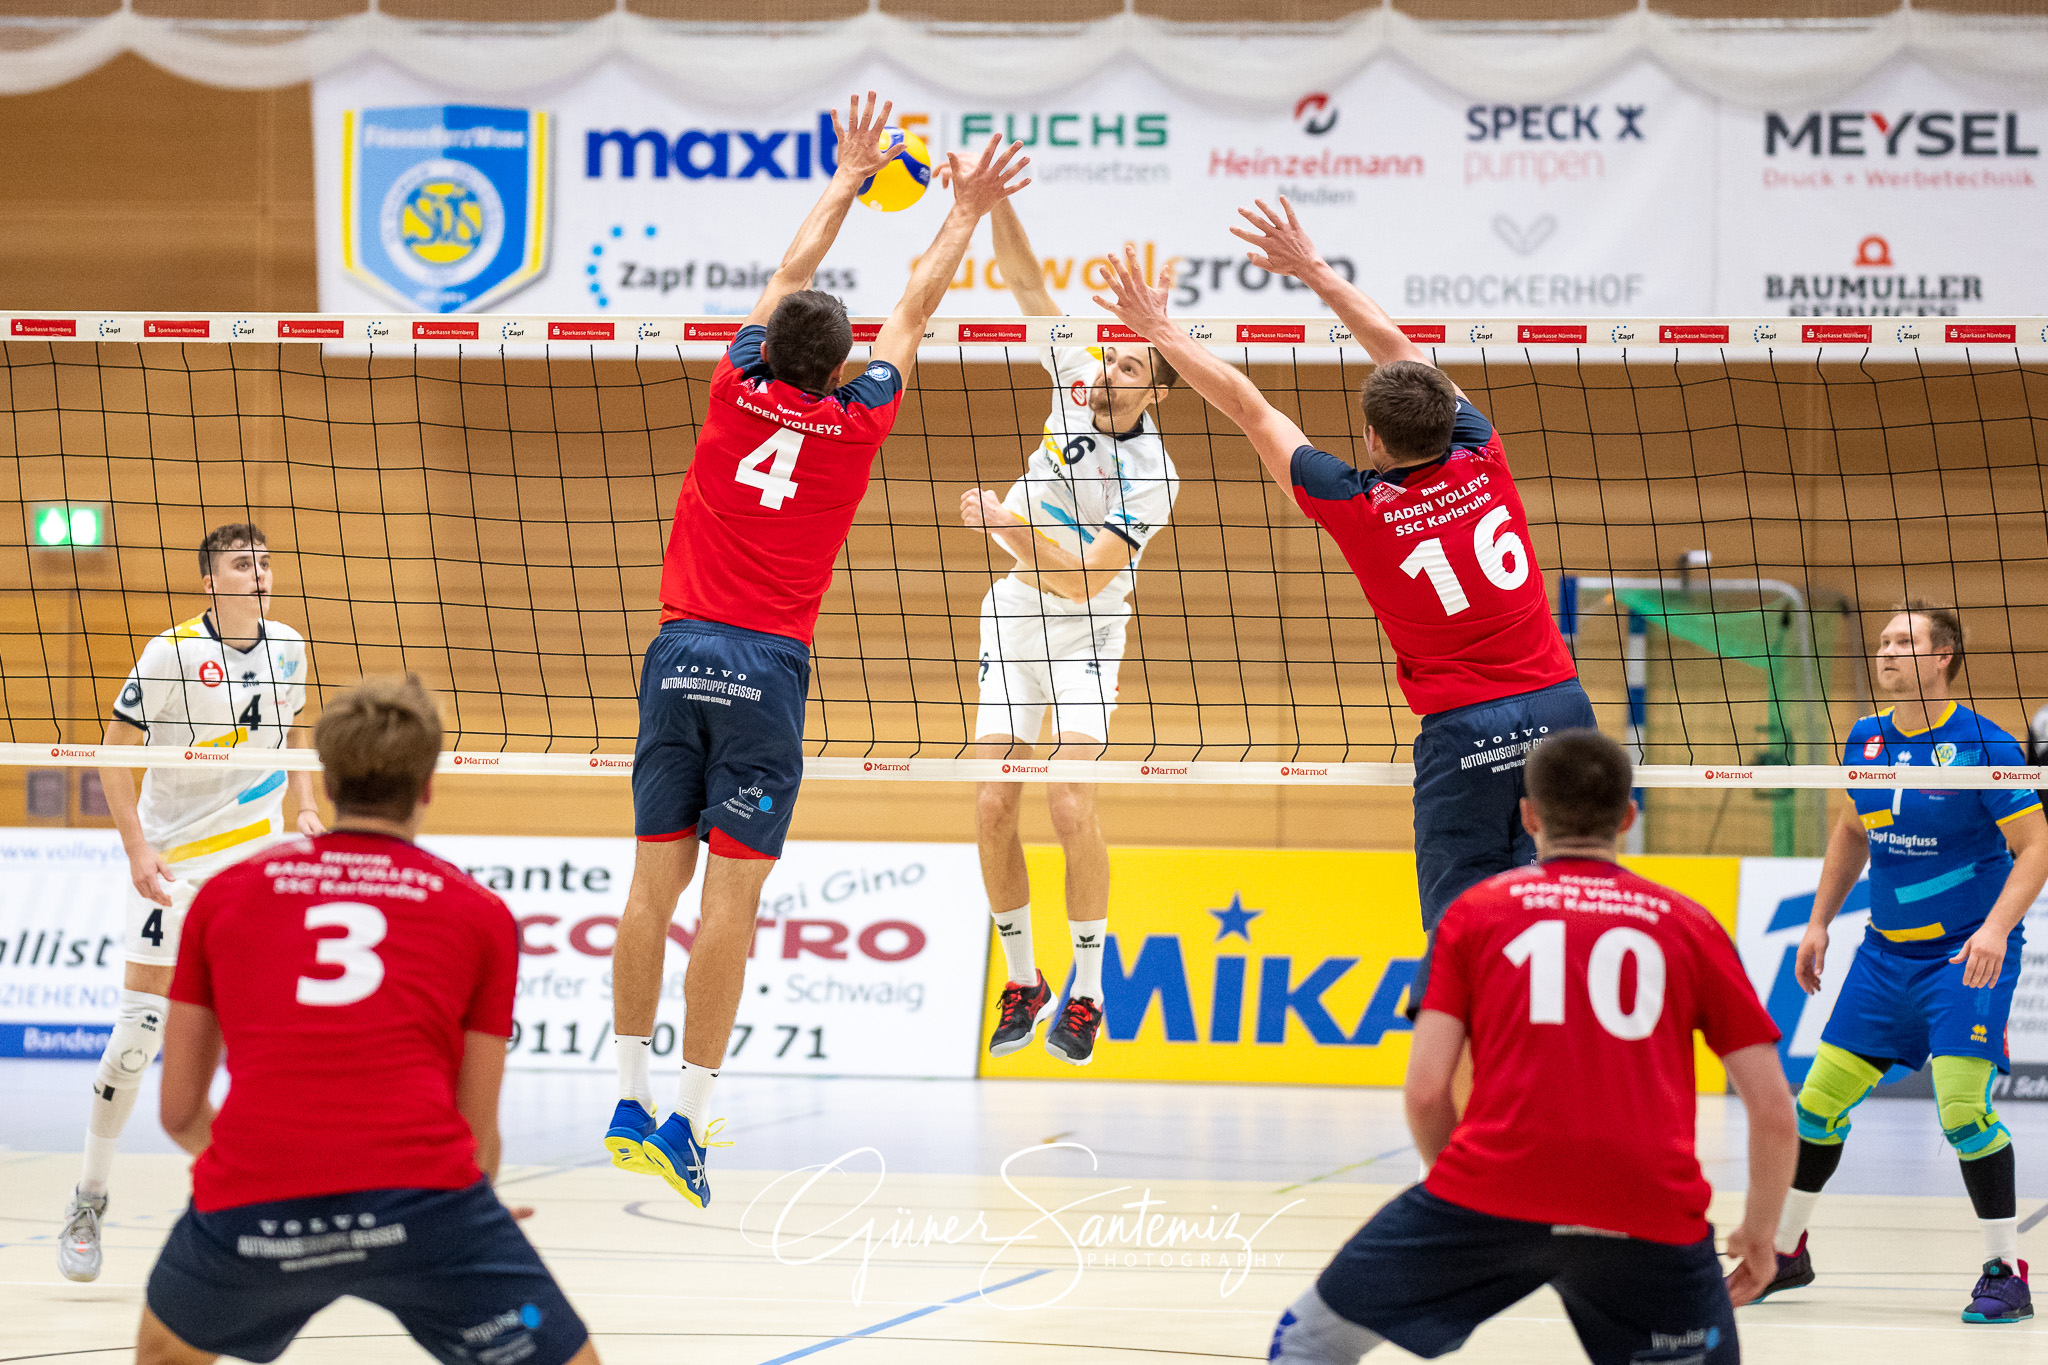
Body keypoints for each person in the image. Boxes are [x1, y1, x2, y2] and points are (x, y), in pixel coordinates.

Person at [604, 91, 1030, 1208]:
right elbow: (916, 304)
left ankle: (628, 1094)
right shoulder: (859, 417)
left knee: (650, 887)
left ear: (770, 349)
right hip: (763, 671)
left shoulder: (732, 382)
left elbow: (791, 272)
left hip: (676, 654)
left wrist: (845, 180)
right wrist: (965, 209)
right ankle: (687, 1120)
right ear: (840, 366)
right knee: (729, 903)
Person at [1092, 200, 1592, 1022]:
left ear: (1372, 440)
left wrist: (1160, 331)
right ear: (1447, 415)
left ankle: (1469, 1092)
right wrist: (1314, 270)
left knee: (1464, 945)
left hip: (1467, 730)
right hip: (1562, 711)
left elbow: (1252, 409)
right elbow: (1398, 349)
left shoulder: (1356, 505)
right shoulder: (1483, 453)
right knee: (1565, 918)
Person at [1267, 730, 1796, 1365]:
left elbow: (1427, 1092)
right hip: (1647, 1207)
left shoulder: (1473, 913)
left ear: (1528, 816)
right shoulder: (1689, 923)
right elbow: (1773, 1108)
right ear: (1627, 818)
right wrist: (1760, 1232)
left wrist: (1456, 1196)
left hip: (1491, 1189)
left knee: (1308, 1342)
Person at [135, 674, 596, 1365]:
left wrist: (276, 1178)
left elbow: (178, 1114)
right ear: (428, 786)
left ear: (326, 778)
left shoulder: (224, 897)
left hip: (256, 1207)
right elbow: (478, 1134)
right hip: (427, 1210)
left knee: (164, 1352)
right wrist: (469, 1217)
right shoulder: (480, 913)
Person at [1762, 603, 2043, 1324]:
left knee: (1962, 1109)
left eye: (1903, 642)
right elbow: (1852, 830)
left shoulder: (1984, 744)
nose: (1886, 652)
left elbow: (2037, 845)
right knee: (1817, 1106)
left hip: (1963, 954)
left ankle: (2005, 1271)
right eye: (1883, 641)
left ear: (1943, 656)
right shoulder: (1867, 736)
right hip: (1884, 956)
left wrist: (1996, 929)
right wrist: (1818, 921)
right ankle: (1786, 1252)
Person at [59, 522, 323, 1283]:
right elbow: (113, 756)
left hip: (254, 858)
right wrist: (137, 851)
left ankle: (257, 1201)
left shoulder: (289, 644)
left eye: (265, 561)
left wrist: (307, 804)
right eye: (242, 564)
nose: (260, 573)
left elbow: (292, 731)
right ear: (210, 581)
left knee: (268, 1037)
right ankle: (88, 1198)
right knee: (136, 1039)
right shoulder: (170, 653)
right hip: (175, 865)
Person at [961, 196, 1179, 1066]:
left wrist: (1005, 525)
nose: (1108, 373)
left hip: (1090, 629)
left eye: (1129, 368)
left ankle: (1087, 989)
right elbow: (1023, 280)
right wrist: (994, 202)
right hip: (1013, 615)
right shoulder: (1073, 379)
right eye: (1110, 358)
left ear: (1157, 392)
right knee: (991, 803)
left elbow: (1088, 576)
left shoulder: (1154, 474)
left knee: (1067, 801)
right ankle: (1025, 979)